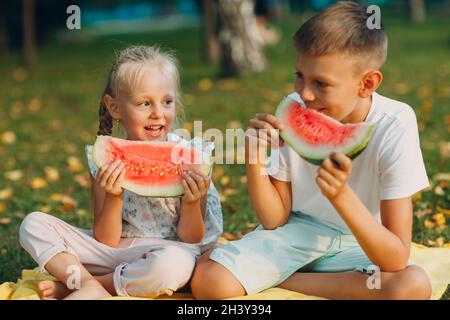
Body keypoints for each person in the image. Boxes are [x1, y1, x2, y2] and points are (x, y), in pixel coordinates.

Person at [191, 2, 432, 300]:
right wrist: (255, 159)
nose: (304, 93)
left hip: (365, 242)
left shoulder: (395, 123)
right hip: (298, 235)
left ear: (366, 83)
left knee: (412, 286)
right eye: (299, 75)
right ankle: (316, 282)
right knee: (210, 283)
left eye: (321, 83)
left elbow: (395, 258)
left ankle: (281, 281)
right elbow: (274, 219)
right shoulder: (294, 108)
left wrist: (341, 196)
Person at [19, 45, 222, 300]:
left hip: (168, 250)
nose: (158, 113)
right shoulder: (104, 160)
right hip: (111, 252)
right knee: (33, 224)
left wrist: (192, 201)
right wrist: (113, 196)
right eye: (144, 103)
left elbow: (192, 237)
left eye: (167, 101)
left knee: (173, 266)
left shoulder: (191, 158)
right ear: (114, 107)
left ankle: (86, 285)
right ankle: (85, 282)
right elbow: (106, 239)